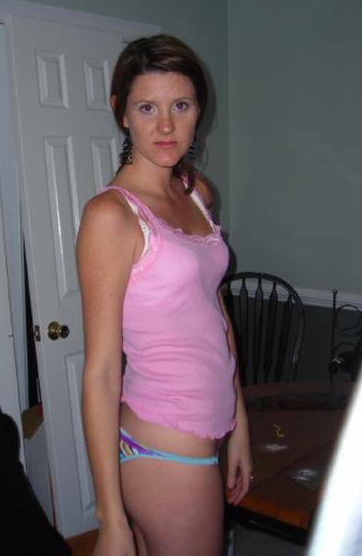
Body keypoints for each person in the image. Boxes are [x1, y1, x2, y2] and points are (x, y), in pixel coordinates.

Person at [76, 34, 252, 556]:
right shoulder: (111, 216)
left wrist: (239, 423)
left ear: (200, 109)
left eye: (181, 105)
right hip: (164, 451)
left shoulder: (196, 193)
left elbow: (212, 312)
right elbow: (102, 370)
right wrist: (110, 520)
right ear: (121, 112)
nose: (167, 126)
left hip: (207, 433)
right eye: (147, 107)